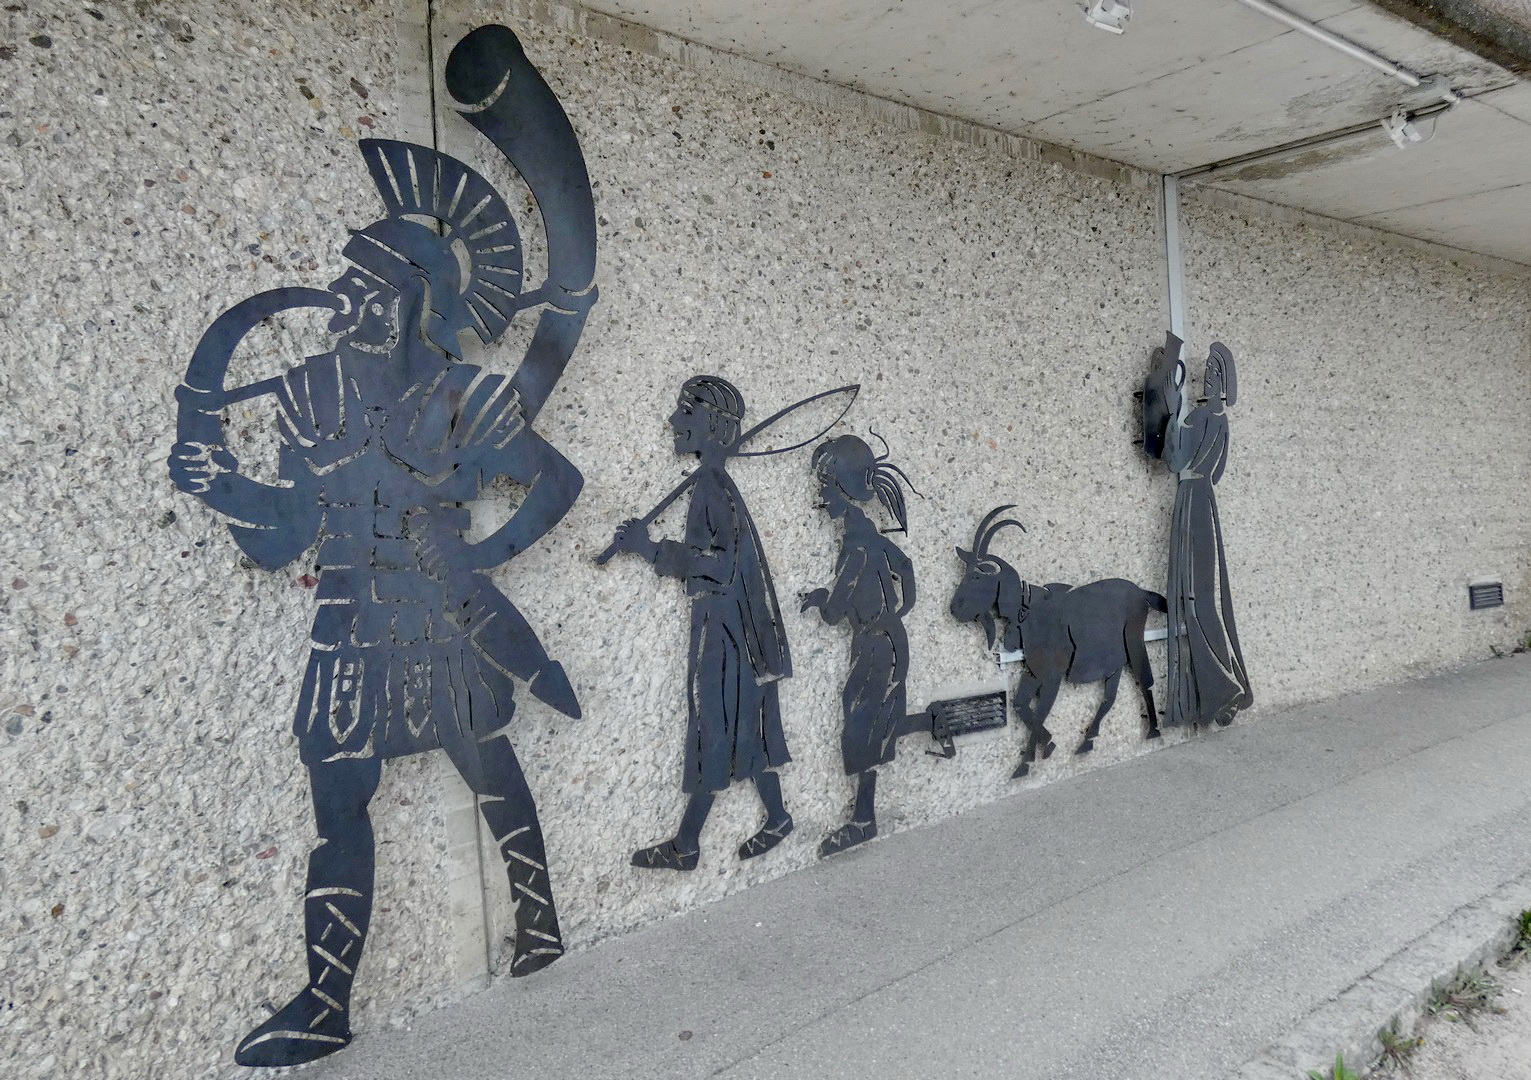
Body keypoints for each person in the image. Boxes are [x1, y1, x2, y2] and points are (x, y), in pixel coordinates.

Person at [170, 138, 591, 1066]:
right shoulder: (310, 389)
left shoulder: (462, 395)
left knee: (489, 767)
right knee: (338, 807)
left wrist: (481, 551)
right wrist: (221, 486)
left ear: (412, 301)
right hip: (348, 628)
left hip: (442, 617)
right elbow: (282, 536)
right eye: (349, 282)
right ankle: (327, 1001)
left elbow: (558, 484)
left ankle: (540, 922)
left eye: (365, 286)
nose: (345, 299)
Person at [610, 377, 795, 871]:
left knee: (715, 725)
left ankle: (687, 844)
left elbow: (720, 564)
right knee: (741, 725)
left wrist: (650, 549)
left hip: (726, 629)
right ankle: (775, 818)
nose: (673, 421)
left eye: (684, 412)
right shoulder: (712, 485)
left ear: (711, 425)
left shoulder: (713, 487)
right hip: (729, 626)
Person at [800, 435, 917, 857]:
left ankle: (863, 820)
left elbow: (834, 611)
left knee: (861, 723)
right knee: (874, 716)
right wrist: (898, 613)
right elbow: (905, 567)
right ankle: (929, 724)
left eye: (825, 486)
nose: (820, 496)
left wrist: (820, 599)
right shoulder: (868, 533)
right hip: (889, 638)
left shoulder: (856, 544)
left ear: (843, 486)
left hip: (874, 645)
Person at [1161, 342, 1253, 728]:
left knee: (1194, 598)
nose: (1208, 380)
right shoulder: (1223, 422)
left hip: (1191, 500)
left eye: (1214, 375)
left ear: (1221, 384)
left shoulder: (1199, 417)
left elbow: (1174, 460)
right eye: (1208, 374)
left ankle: (1220, 686)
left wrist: (1172, 416)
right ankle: (1226, 681)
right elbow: (1219, 471)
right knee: (1204, 595)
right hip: (1207, 500)